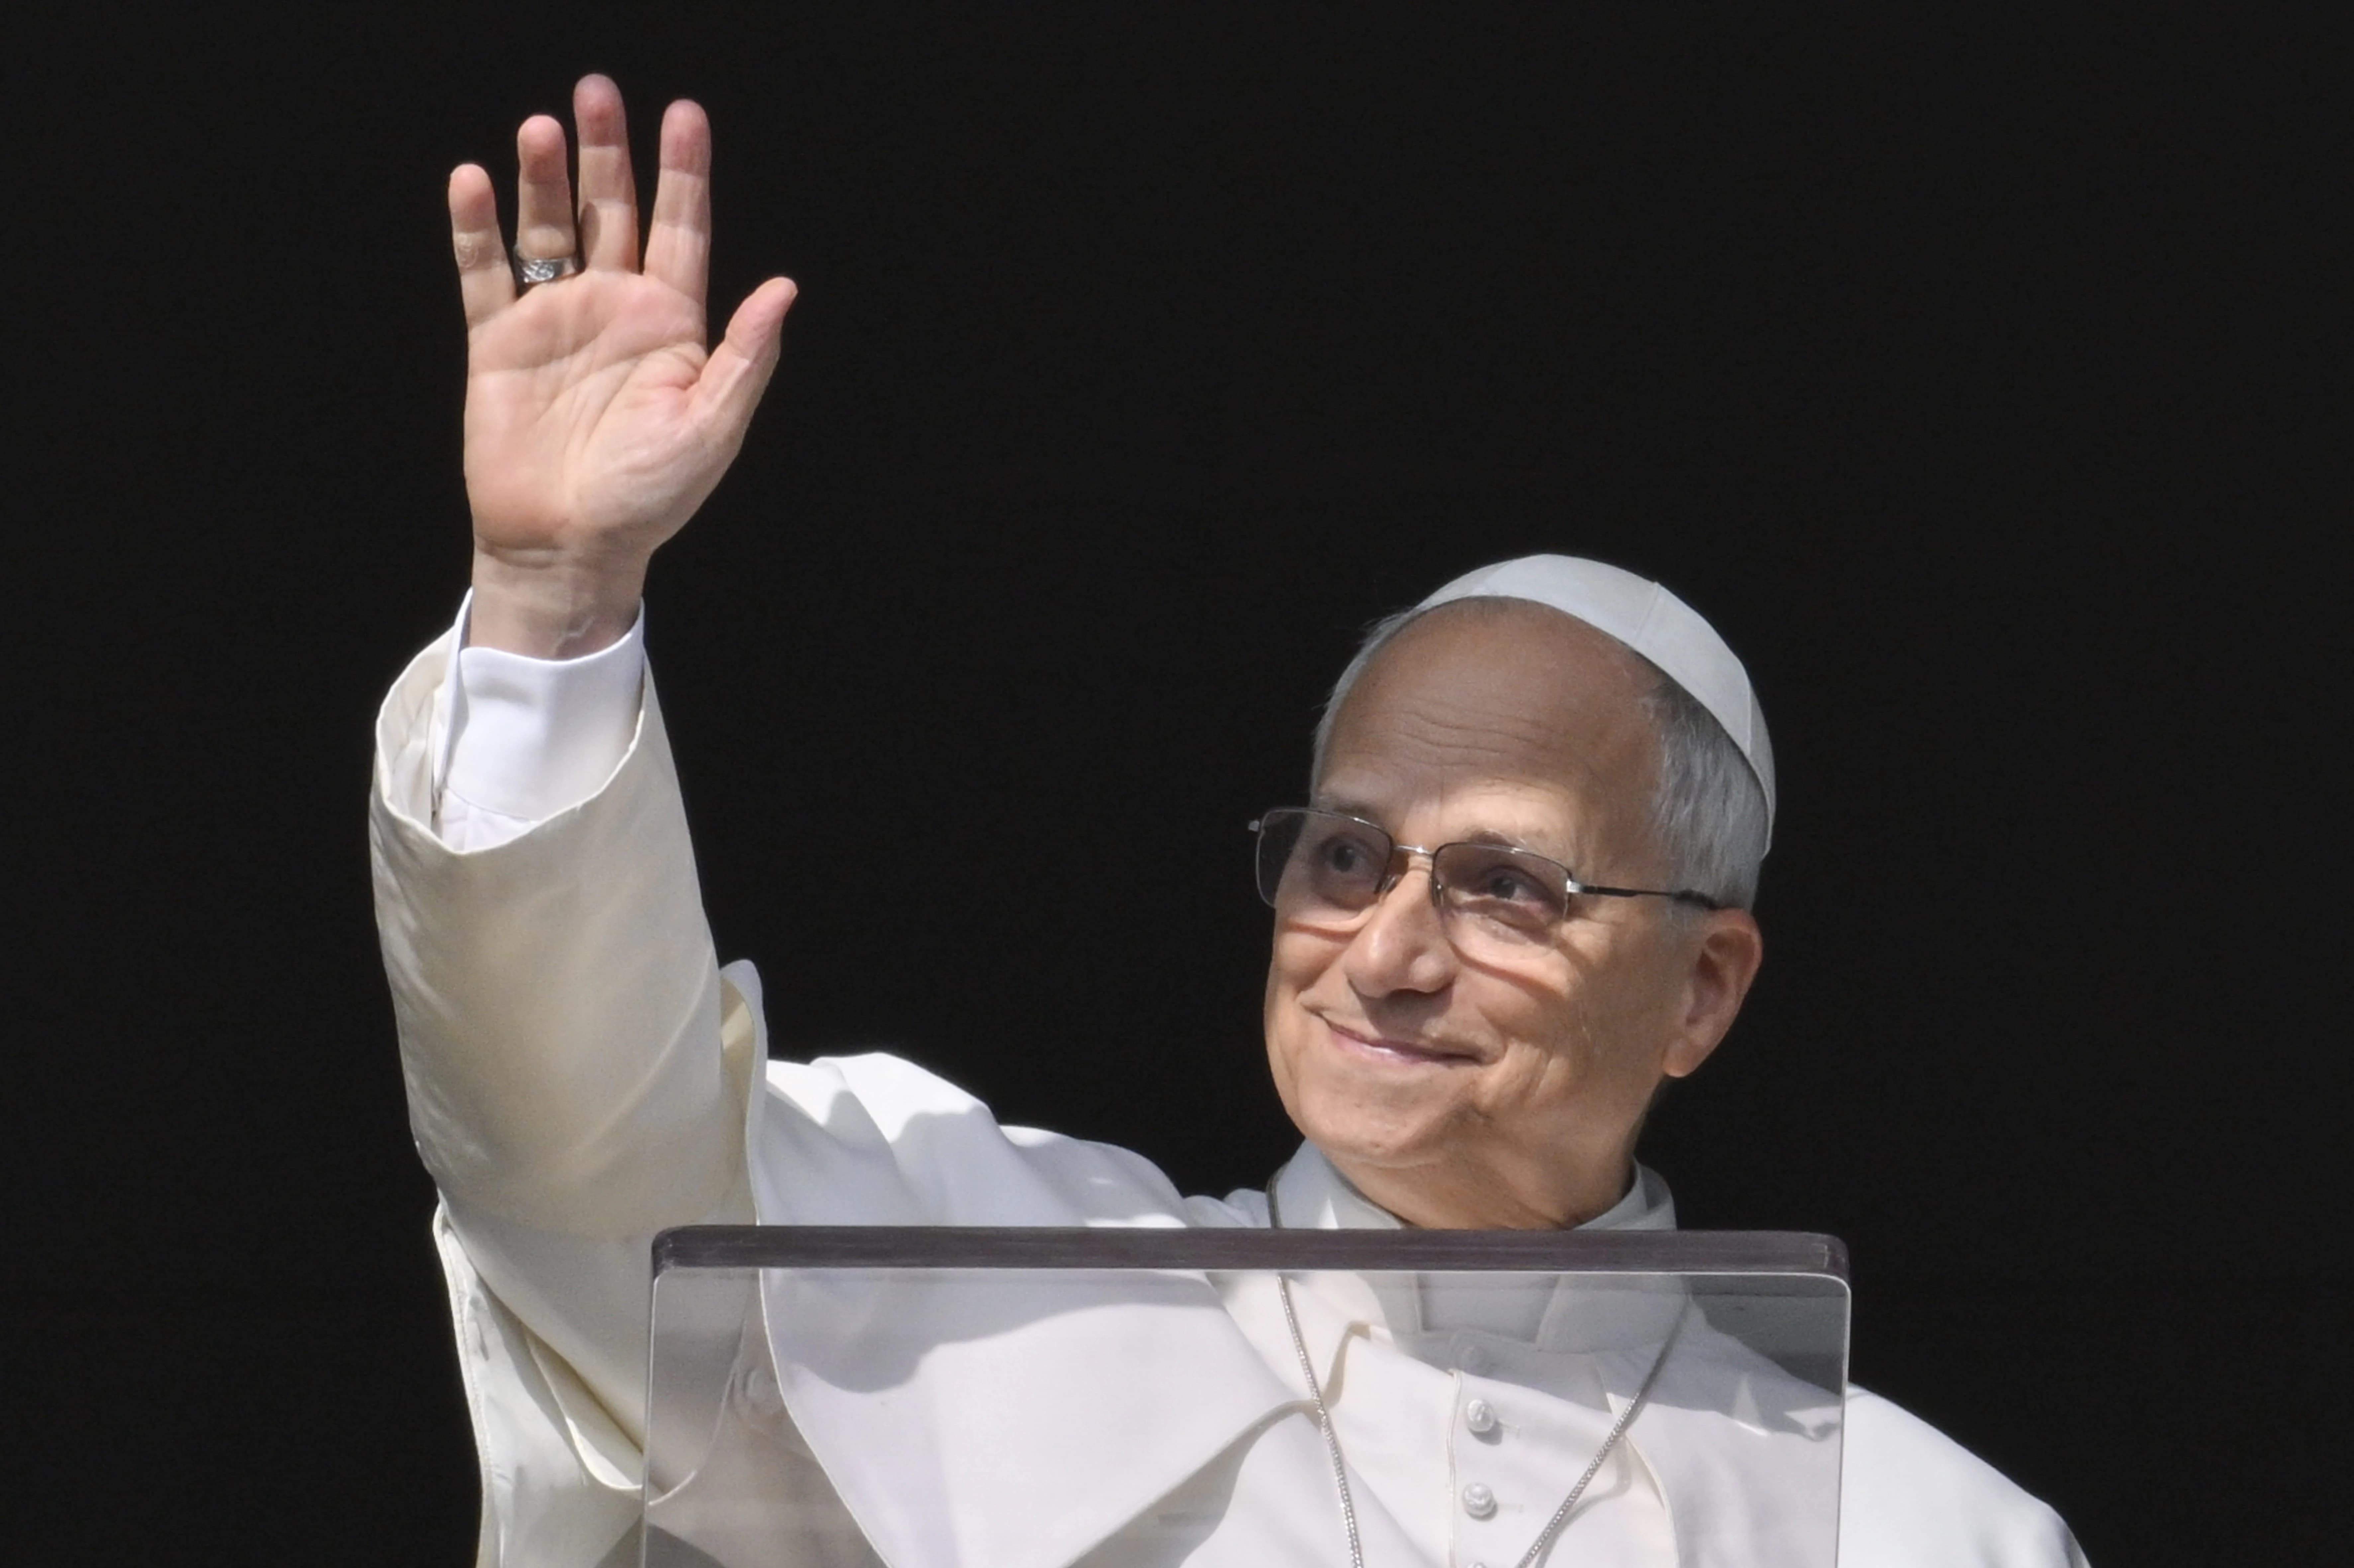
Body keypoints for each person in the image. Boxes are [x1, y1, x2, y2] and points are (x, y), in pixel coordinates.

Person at [375, 75, 2089, 1566]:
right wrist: (556, 602)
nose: (1391, 952)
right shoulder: (995, 1282)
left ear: (1705, 983)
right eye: (1347, 855)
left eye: (1505, 887)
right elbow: (581, 1163)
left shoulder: (1935, 1533)